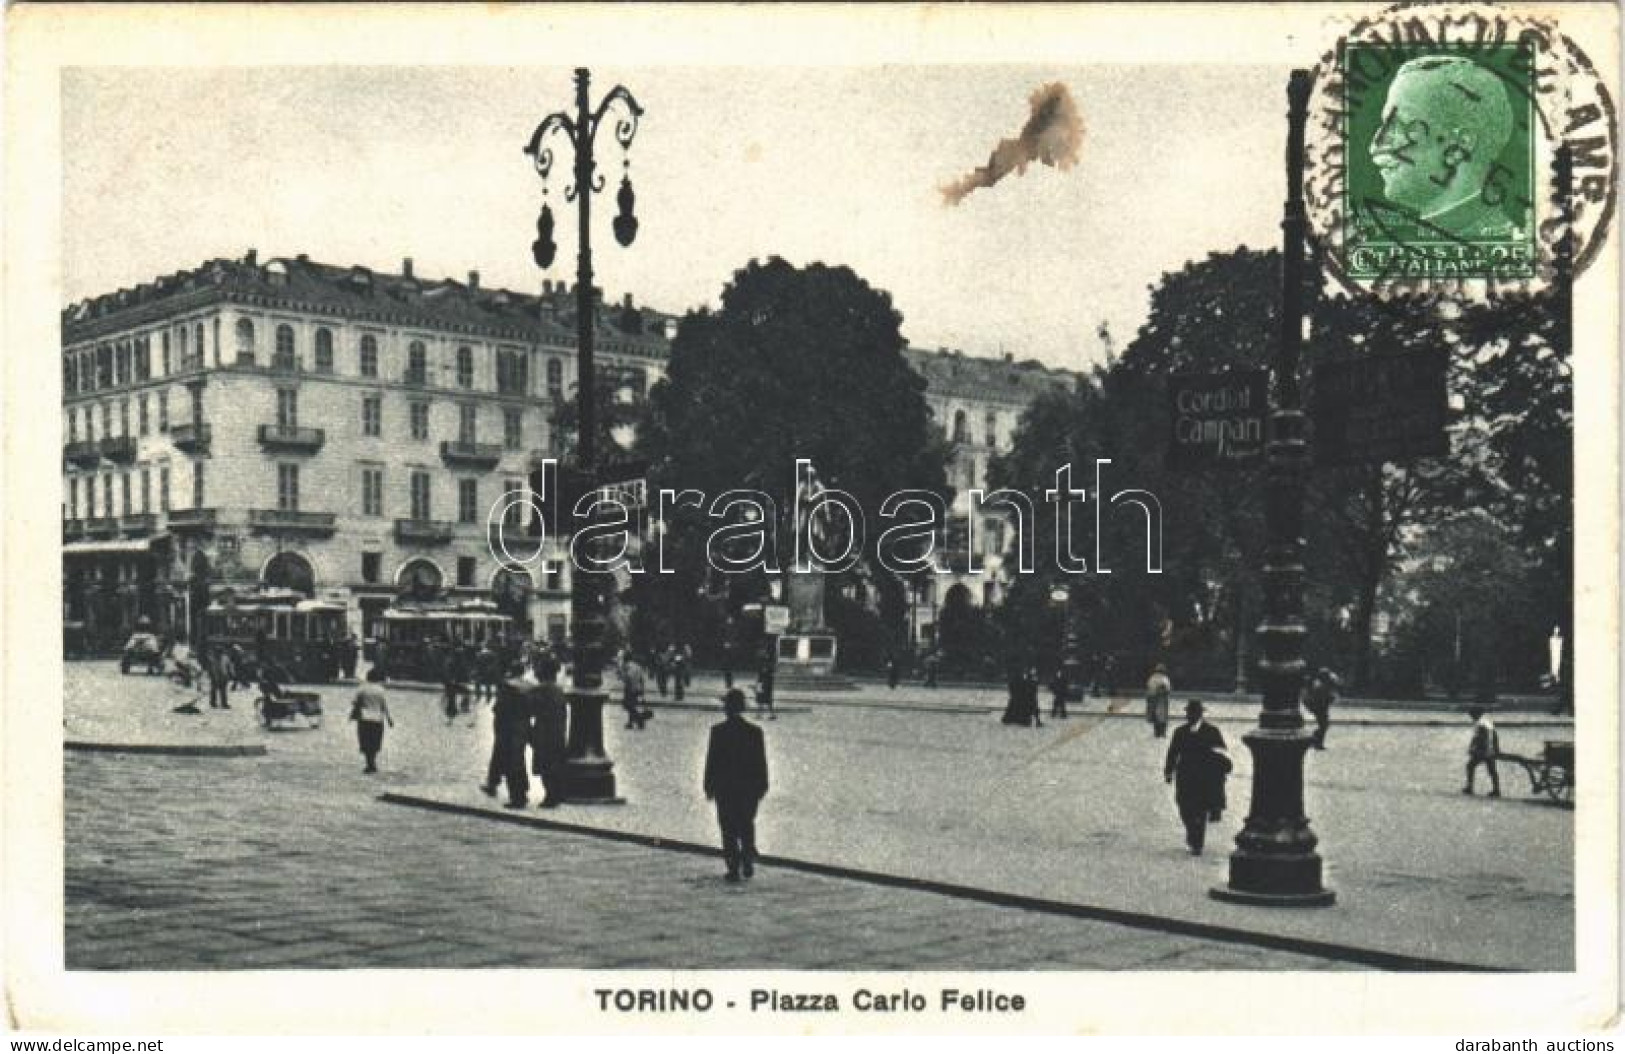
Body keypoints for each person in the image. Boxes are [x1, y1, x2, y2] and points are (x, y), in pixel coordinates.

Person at [703, 688, 770, 883]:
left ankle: (733, 867)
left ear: (726, 708)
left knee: (728, 828)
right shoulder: (755, 732)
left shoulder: (718, 732)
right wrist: (762, 785)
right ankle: (747, 857)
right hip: (748, 788)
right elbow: (761, 762)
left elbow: (712, 761)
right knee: (746, 824)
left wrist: (708, 785)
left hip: (725, 788)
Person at [1163, 700, 1231, 856]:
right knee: (1184, 807)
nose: (1189, 716)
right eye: (1188, 713)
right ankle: (1191, 832)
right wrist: (1168, 771)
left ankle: (1197, 842)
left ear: (1200, 714)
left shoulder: (1212, 731)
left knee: (1200, 810)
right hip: (1185, 775)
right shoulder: (1180, 732)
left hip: (1204, 777)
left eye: (1193, 713)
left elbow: (1221, 753)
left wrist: (1220, 768)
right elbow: (1173, 753)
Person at [482, 664, 533, 808]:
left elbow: (499, 708)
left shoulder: (507, 686)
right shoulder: (529, 686)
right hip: (523, 726)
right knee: (518, 760)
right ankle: (521, 791)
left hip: (507, 727)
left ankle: (517, 797)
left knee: (509, 760)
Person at [529, 651, 568, 808]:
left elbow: (531, 709)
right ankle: (557, 794)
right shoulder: (559, 690)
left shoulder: (540, 689)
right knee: (556, 763)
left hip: (544, 732)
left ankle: (550, 797)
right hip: (558, 731)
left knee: (545, 765)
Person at [349, 667, 394, 774]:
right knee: (375, 741)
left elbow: (355, 702)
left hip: (364, 718)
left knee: (365, 741)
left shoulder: (362, 688)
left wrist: (353, 714)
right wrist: (389, 719)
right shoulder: (381, 689)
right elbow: (384, 706)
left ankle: (369, 763)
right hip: (378, 719)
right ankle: (372, 761)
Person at [1463, 705, 1501, 797]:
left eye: (1472, 715)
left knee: (1470, 766)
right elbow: (1495, 736)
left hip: (1483, 751)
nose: (1471, 717)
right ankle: (1496, 790)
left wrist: (1473, 749)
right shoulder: (1487, 722)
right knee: (1492, 770)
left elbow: (1479, 738)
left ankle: (1469, 787)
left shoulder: (1480, 724)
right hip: (1490, 750)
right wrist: (1496, 749)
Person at [1304, 667, 1340, 750]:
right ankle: (1314, 741)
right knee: (1324, 725)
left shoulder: (1322, 685)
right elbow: (1323, 699)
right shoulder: (1320, 687)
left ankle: (1315, 741)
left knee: (1324, 725)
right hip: (1319, 708)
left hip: (1320, 708)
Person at [620, 654, 651, 730]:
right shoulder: (638, 666)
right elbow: (642, 679)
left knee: (628, 705)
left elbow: (629, 677)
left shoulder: (628, 666)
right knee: (632, 705)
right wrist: (642, 689)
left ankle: (639, 719)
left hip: (630, 688)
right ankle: (630, 723)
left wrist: (623, 678)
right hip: (638, 688)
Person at [1145, 663, 1172, 738]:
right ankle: (1162, 733)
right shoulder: (1165, 678)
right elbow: (1168, 689)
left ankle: (1157, 733)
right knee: (1162, 718)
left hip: (1155, 700)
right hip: (1162, 700)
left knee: (1156, 718)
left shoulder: (1152, 678)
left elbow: (1149, 690)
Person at [204, 642, 231, 710]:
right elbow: (210, 668)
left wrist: (228, 675)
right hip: (215, 676)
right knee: (215, 690)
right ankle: (213, 703)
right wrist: (212, 676)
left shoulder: (224, 658)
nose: (218, 654)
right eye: (217, 652)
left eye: (219, 652)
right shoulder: (212, 659)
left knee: (222, 691)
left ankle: (223, 703)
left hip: (223, 676)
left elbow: (228, 666)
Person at [755, 656, 776, 720]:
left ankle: (763, 714)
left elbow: (761, 677)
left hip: (765, 685)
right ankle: (763, 714)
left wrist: (759, 685)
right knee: (763, 700)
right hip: (764, 684)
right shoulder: (767, 667)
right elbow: (759, 677)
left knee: (764, 700)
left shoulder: (767, 667)